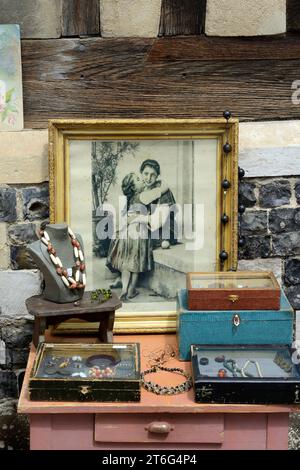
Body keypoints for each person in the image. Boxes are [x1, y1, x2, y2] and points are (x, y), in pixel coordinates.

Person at [106, 173, 169, 300]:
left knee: (126, 265)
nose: (143, 179)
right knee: (135, 265)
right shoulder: (144, 196)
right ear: (134, 187)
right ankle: (131, 290)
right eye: (139, 179)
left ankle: (124, 288)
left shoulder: (130, 199)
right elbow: (164, 189)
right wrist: (160, 184)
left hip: (127, 234)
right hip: (139, 234)